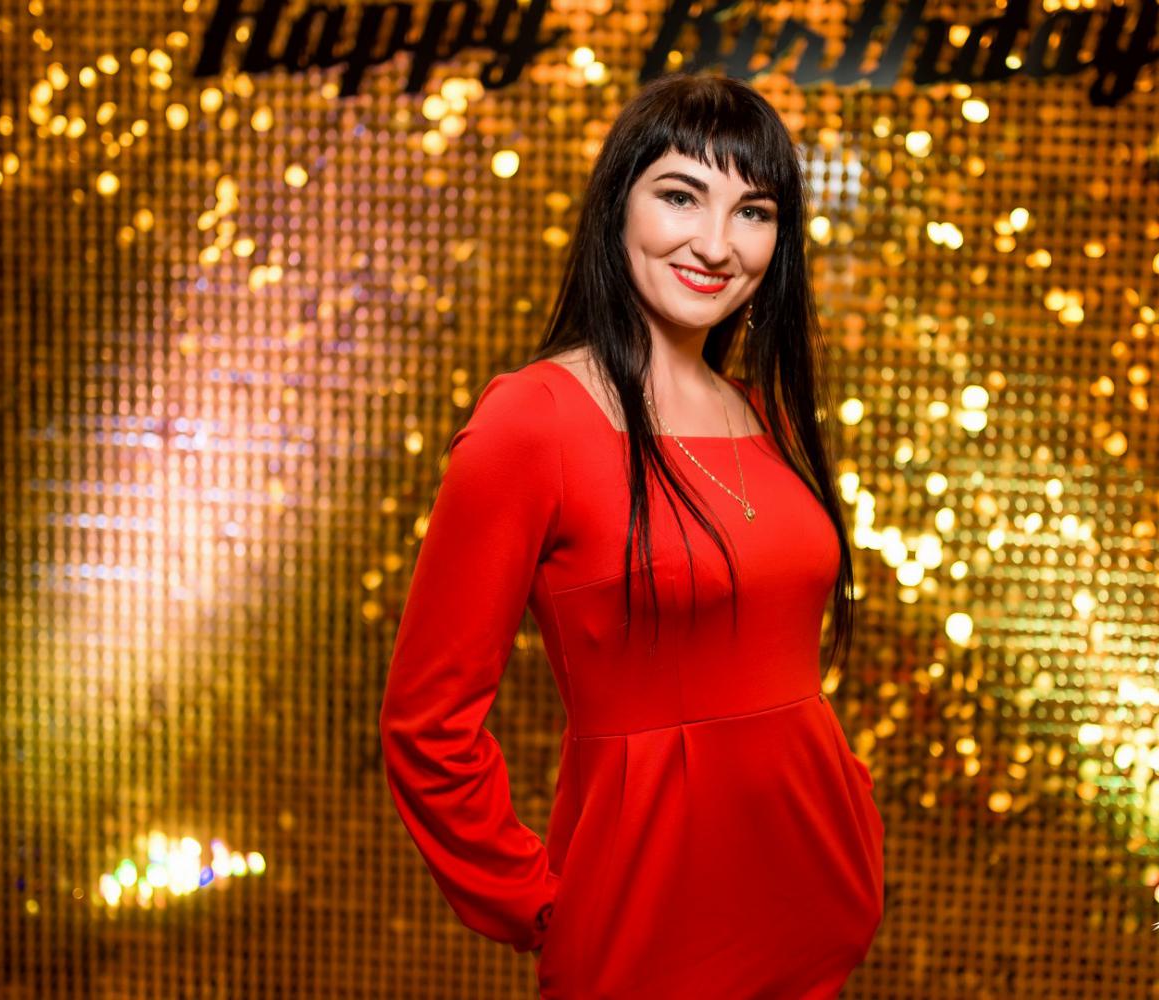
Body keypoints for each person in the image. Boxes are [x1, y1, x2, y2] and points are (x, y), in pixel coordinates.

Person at [378, 69, 884, 999]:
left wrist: (850, 812)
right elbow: (426, 724)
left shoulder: (768, 415)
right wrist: (536, 903)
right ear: (618, 205)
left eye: (753, 212)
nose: (716, 244)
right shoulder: (533, 421)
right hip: (646, 934)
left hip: (814, 912)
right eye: (681, 196)